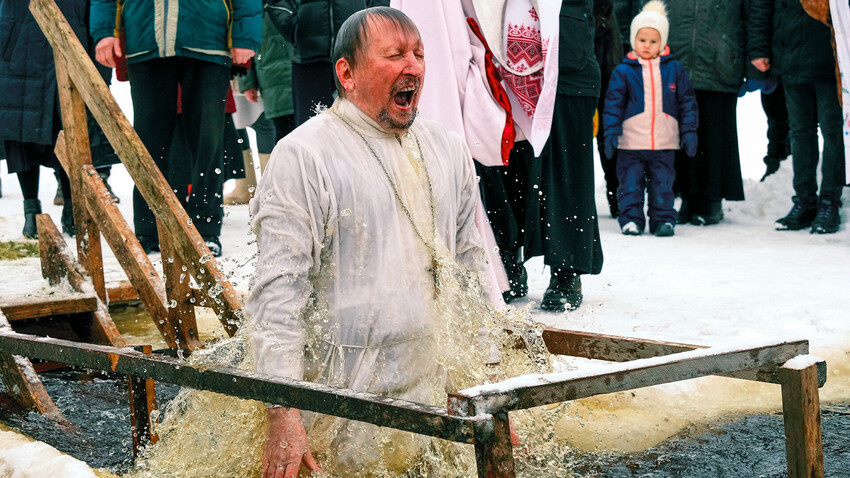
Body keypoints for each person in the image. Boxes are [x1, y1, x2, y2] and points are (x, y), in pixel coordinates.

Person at [246, 7, 500, 475]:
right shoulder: (304, 155)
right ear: (347, 72)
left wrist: (489, 392)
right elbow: (277, 294)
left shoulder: (446, 148)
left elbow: (473, 273)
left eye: (419, 54)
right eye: (395, 54)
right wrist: (283, 413)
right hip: (342, 404)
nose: (414, 66)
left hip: (429, 396)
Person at [90, 0, 262, 256]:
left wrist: (245, 34)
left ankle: (206, 230)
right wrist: (104, 31)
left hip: (208, 38)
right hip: (146, 38)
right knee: (149, 145)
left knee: (208, 142)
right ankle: (149, 230)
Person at [603, 1, 699, 237]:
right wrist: (611, 133)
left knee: (663, 185)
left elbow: (687, 102)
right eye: (642, 40)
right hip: (631, 143)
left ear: (663, 42)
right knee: (630, 185)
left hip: (664, 142)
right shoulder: (624, 71)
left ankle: (663, 220)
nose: (647, 46)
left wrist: (689, 131)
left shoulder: (674, 69)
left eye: (653, 41)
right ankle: (631, 220)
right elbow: (613, 105)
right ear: (634, 39)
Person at [750, 0, 846, 233]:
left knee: (832, 131)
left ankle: (829, 201)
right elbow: (762, 7)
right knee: (800, 131)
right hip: (790, 52)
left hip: (831, 55)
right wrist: (759, 49)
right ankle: (804, 200)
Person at [0, 0, 79, 239]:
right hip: (18, 39)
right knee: (20, 130)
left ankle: (72, 209)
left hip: (70, 33)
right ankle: (31, 211)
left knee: (67, 127)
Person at [666, 0, 747, 226]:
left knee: (716, 133)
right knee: (681, 132)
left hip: (720, 56)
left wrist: (756, 57)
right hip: (678, 55)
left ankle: (711, 200)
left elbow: (754, 11)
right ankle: (687, 197)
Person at [264, 0, 389, 126]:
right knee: (311, 133)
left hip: (357, 56)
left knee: (364, 130)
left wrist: (372, 23)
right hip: (309, 60)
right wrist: (293, 28)